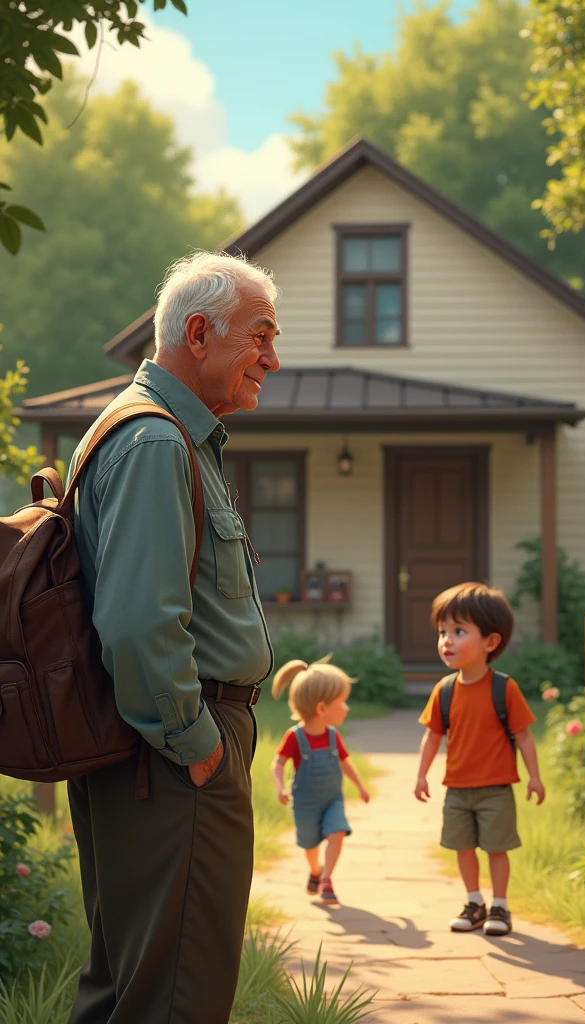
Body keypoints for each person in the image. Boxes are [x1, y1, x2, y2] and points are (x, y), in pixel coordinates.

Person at [66, 251, 281, 1024]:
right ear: (198, 332)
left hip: (146, 758)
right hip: (172, 760)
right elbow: (139, 622)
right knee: (175, 998)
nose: (272, 358)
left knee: (127, 989)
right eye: (259, 336)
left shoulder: (153, 434)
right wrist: (197, 746)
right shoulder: (157, 441)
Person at [414, 582, 545, 937]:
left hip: (495, 789)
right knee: (462, 847)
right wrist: (422, 774)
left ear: (490, 642)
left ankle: (500, 905)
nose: (447, 641)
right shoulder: (444, 690)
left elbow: (524, 736)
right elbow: (433, 736)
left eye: (459, 631)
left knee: (497, 848)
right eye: (443, 632)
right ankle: (474, 903)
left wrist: (534, 776)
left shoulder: (505, 689)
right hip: (457, 789)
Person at [270, 657, 370, 905]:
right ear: (322, 708)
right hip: (305, 803)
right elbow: (278, 763)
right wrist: (280, 787)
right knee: (310, 844)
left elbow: (345, 763)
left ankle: (326, 879)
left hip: (332, 799)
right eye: (342, 702)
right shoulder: (295, 737)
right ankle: (315, 871)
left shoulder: (333, 736)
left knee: (337, 832)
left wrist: (360, 786)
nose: (347, 708)